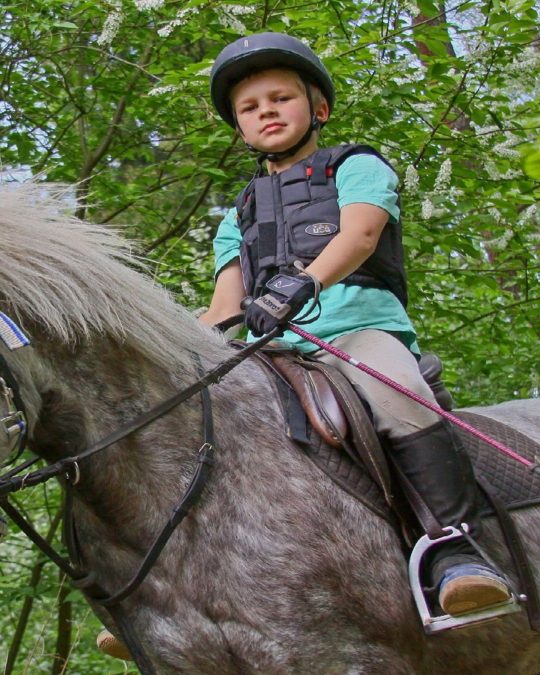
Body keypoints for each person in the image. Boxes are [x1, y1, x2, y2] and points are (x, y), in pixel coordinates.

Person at [199, 32, 511, 618]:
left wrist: (303, 283)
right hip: (274, 354)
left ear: (317, 110)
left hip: (355, 335)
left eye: (280, 98)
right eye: (249, 107)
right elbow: (224, 307)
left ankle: (457, 550)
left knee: (399, 392)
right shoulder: (235, 215)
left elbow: (360, 236)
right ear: (239, 128)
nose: (265, 110)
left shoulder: (357, 166)